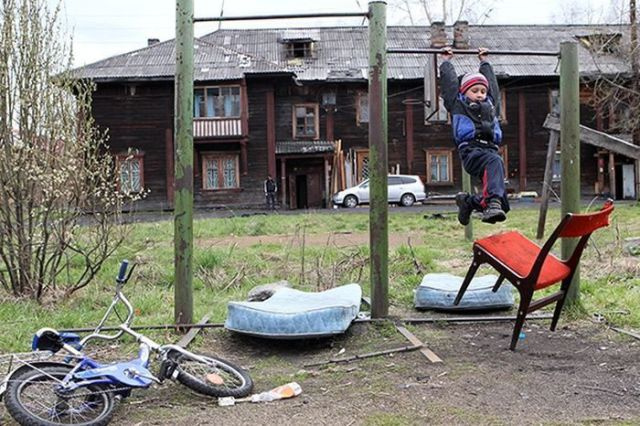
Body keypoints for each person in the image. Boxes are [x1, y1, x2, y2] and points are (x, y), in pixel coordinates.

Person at [439, 47, 509, 225]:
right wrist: (446, 62)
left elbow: (493, 87)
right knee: (496, 164)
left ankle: (468, 203)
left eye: (482, 91)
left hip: (490, 150)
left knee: (503, 204)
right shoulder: (458, 104)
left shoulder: (491, 106)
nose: (480, 94)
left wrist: (484, 62)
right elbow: (449, 86)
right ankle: (490, 204)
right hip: (471, 151)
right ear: (464, 92)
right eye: (475, 91)